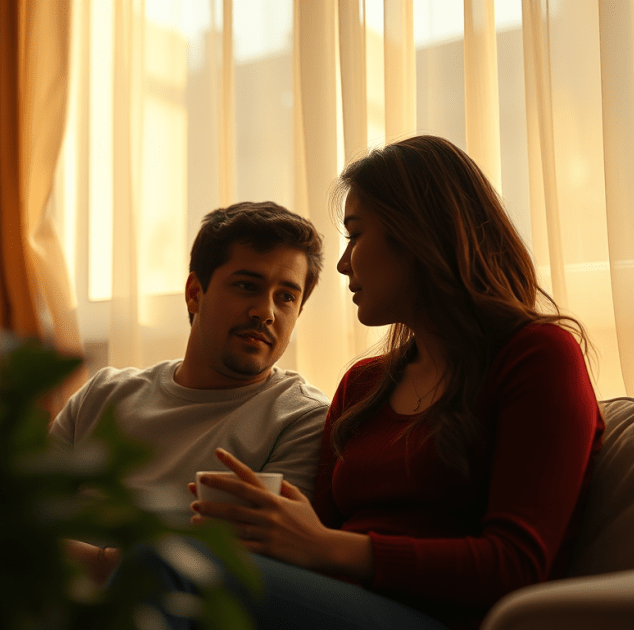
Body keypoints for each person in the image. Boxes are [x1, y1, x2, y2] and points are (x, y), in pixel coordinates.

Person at [125, 136, 605, 630]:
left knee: (168, 565)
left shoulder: (538, 356)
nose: (342, 263)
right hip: (339, 606)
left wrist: (328, 547)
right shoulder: (363, 386)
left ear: (417, 235)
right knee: (176, 560)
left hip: (445, 619)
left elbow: (516, 565)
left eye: (355, 235)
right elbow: (318, 542)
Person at [49, 201, 329, 514]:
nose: (265, 312)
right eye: (246, 286)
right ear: (195, 293)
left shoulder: (302, 420)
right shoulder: (101, 396)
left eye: (286, 297)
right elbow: (23, 515)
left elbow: (260, 542)